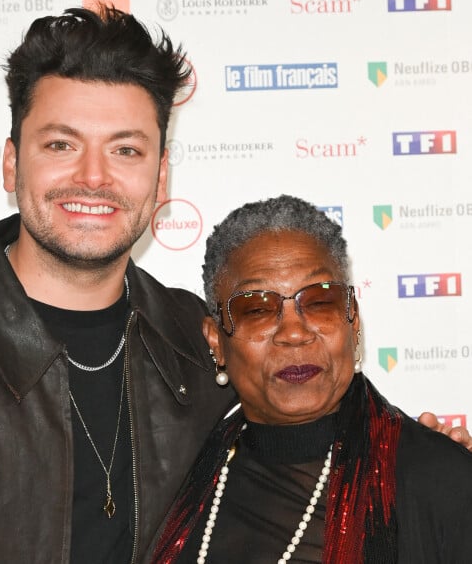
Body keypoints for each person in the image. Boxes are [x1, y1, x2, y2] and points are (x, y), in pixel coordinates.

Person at [0, 6, 468, 564]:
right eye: (61, 144)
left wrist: (436, 473)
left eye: (125, 149)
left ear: (161, 177)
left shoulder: (197, 345)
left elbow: (312, 420)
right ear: (11, 163)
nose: (93, 177)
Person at [152, 195, 472, 564]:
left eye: (320, 302)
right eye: (257, 309)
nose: (293, 332)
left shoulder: (435, 480)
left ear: (353, 320)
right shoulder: (176, 477)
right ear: (216, 342)